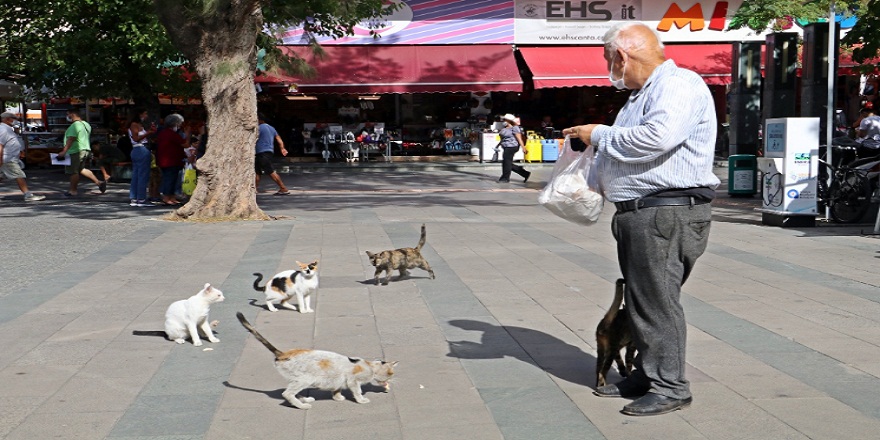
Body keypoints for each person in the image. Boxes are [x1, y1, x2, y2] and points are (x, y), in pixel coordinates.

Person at [562, 22, 719, 417]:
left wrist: (598, 133)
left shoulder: (678, 85)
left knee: (656, 302)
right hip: (642, 213)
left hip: (665, 212)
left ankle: (669, 386)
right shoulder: (641, 95)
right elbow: (629, 148)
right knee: (641, 299)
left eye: (606, 60)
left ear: (621, 55)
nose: (609, 69)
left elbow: (657, 138)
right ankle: (648, 375)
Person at [56, 108, 106, 197]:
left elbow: (71, 138)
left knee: (73, 171)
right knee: (81, 169)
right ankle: (99, 183)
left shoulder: (74, 125)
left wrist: (64, 151)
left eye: (68, 114)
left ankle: (73, 191)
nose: (67, 116)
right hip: (85, 149)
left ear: (72, 114)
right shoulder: (86, 125)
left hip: (76, 150)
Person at [0, 112, 46, 201]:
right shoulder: (3, 129)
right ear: (6, 119)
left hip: (8, 158)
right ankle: (28, 195)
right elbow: (0, 145)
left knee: (1, 176)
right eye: (12, 118)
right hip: (7, 158)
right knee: (18, 175)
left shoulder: (7, 129)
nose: (14, 120)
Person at [155, 113, 190, 205]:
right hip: (171, 160)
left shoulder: (162, 133)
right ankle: (167, 197)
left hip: (165, 159)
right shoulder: (172, 134)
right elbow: (185, 144)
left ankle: (172, 197)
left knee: (171, 179)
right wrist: (187, 135)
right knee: (170, 179)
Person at [255, 114, 289, 195]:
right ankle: (254, 189)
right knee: (257, 171)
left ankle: (283, 188)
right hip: (269, 151)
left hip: (262, 152)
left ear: (260, 120)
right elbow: (279, 139)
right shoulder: (272, 128)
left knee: (270, 171)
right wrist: (282, 148)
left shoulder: (259, 128)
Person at [128, 116, 155, 207]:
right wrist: (148, 133)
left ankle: (134, 198)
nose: (146, 116)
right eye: (145, 113)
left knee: (136, 175)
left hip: (136, 150)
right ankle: (141, 198)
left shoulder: (136, 125)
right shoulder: (135, 125)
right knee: (142, 175)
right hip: (141, 148)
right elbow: (136, 138)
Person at [496, 113, 530, 183]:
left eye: (505, 120)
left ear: (509, 120)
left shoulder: (514, 128)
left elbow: (519, 138)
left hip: (512, 146)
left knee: (506, 162)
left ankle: (505, 178)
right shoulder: (504, 129)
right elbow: (503, 139)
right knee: (506, 162)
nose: (503, 121)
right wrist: (498, 145)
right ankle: (524, 173)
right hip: (505, 146)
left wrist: (523, 147)